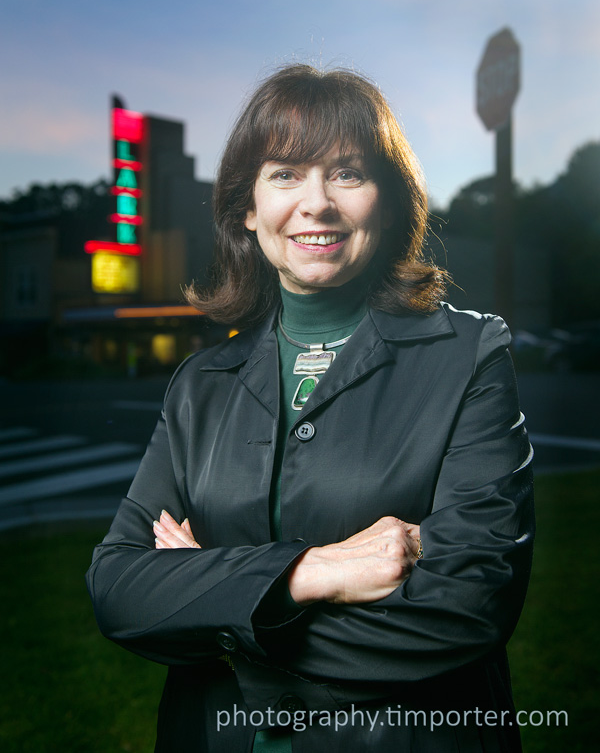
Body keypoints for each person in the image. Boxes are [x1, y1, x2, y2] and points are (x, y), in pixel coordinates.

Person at [86, 64, 534, 752]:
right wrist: (311, 572)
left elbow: (467, 607)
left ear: (386, 199)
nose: (316, 202)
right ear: (247, 206)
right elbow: (119, 587)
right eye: (285, 174)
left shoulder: (469, 355)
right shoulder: (201, 382)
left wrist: (218, 603)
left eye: (348, 173)